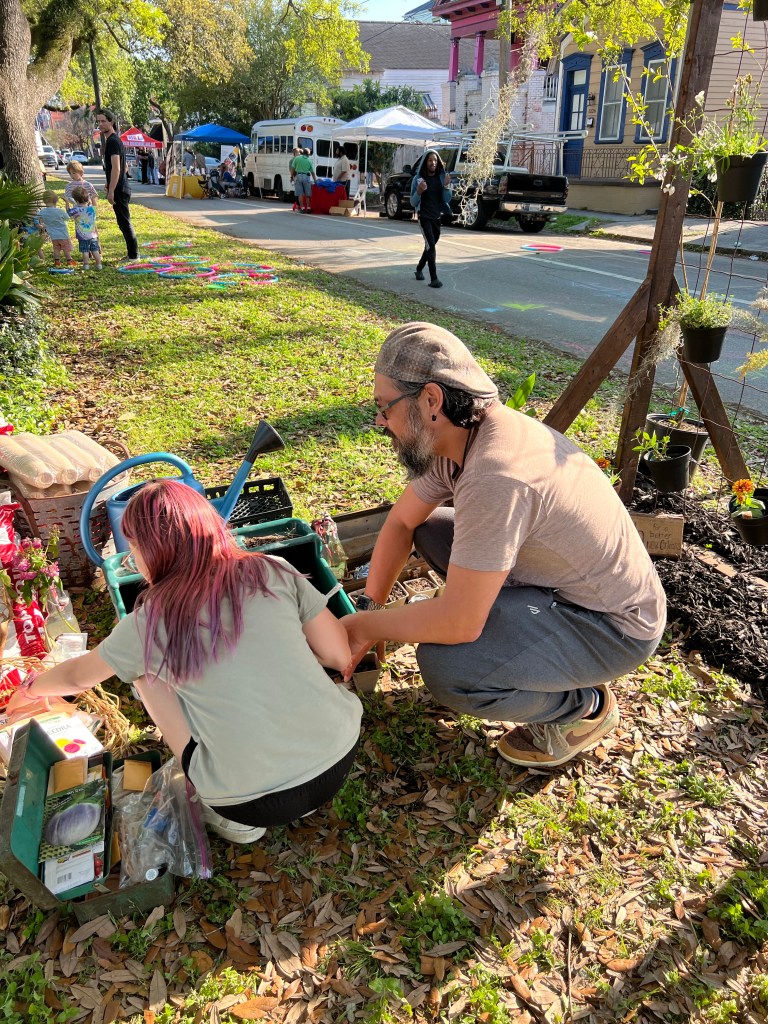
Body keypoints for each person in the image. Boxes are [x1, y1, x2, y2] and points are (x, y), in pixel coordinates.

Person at [341, 322, 667, 770]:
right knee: (431, 528)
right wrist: (372, 606)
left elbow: (459, 623)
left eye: (385, 407)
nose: (380, 422)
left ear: (431, 400)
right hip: (559, 584)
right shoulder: (461, 436)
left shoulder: (496, 476)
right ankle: (517, 632)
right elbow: (402, 521)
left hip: (611, 627)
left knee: (448, 668)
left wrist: (362, 628)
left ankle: (584, 707)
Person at [9, 480, 363, 844]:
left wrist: (31, 688)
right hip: (338, 755)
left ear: (148, 552)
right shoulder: (273, 569)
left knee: (143, 673)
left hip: (245, 800)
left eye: (133, 550)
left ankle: (235, 823)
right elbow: (338, 655)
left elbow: (77, 677)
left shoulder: (148, 623)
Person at [95, 109, 138, 260]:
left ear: (111, 121)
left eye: (103, 121)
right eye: (98, 121)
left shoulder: (113, 141)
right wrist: (108, 182)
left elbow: (117, 168)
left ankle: (134, 256)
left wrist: (112, 190)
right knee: (122, 222)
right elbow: (124, 167)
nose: (100, 124)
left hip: (120, 189)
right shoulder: (114, 140)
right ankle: (132, 254)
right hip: (120, 186)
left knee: (124, 222)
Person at [410, 151, 451, 289]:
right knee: (431, 246)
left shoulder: (441, 178)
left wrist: (446, 186)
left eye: (435, 160)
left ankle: (419, 269)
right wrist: (419, 191)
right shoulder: (418, 179)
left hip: (436, 218)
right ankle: (434, 279)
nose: (433, 162)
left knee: (429, 246)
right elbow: (413, 202)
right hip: (424, 217)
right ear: (425, 163)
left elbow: (447, 199)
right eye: (430, 160)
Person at [67, 184, 102, 270]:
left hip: (82, 236)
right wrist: (91, 200)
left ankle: (86, 265)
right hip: (93, 235)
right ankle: (99, 264)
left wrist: (67, 203)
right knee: (95, 250)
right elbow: (92, 207)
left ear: (76, 200)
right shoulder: (92, 209)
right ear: (87, 198)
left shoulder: (76, 210)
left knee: (85, 251)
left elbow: (68, 213)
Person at [35, 191, 73, 265]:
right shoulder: (59, 211)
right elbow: (67, 218)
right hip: (63, 234)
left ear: (44, 201)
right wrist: (67, 203)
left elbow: (37, 218)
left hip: (53, 235)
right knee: (66, 248)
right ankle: (69, 260)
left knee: (56, 248)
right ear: (56, 200)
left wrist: (41, 222)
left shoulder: (42, 212)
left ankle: (57, 261)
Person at [290, 147, 316, 213]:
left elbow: (292, 168)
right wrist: (315, 180)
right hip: (306, 177)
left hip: (298, 176)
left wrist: (291, 176)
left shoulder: (297, 158)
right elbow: (312, 172)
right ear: (308, 154)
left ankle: (302, 208)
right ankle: (309, 208)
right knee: (307, 194)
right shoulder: (309, 160)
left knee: (300, 194)